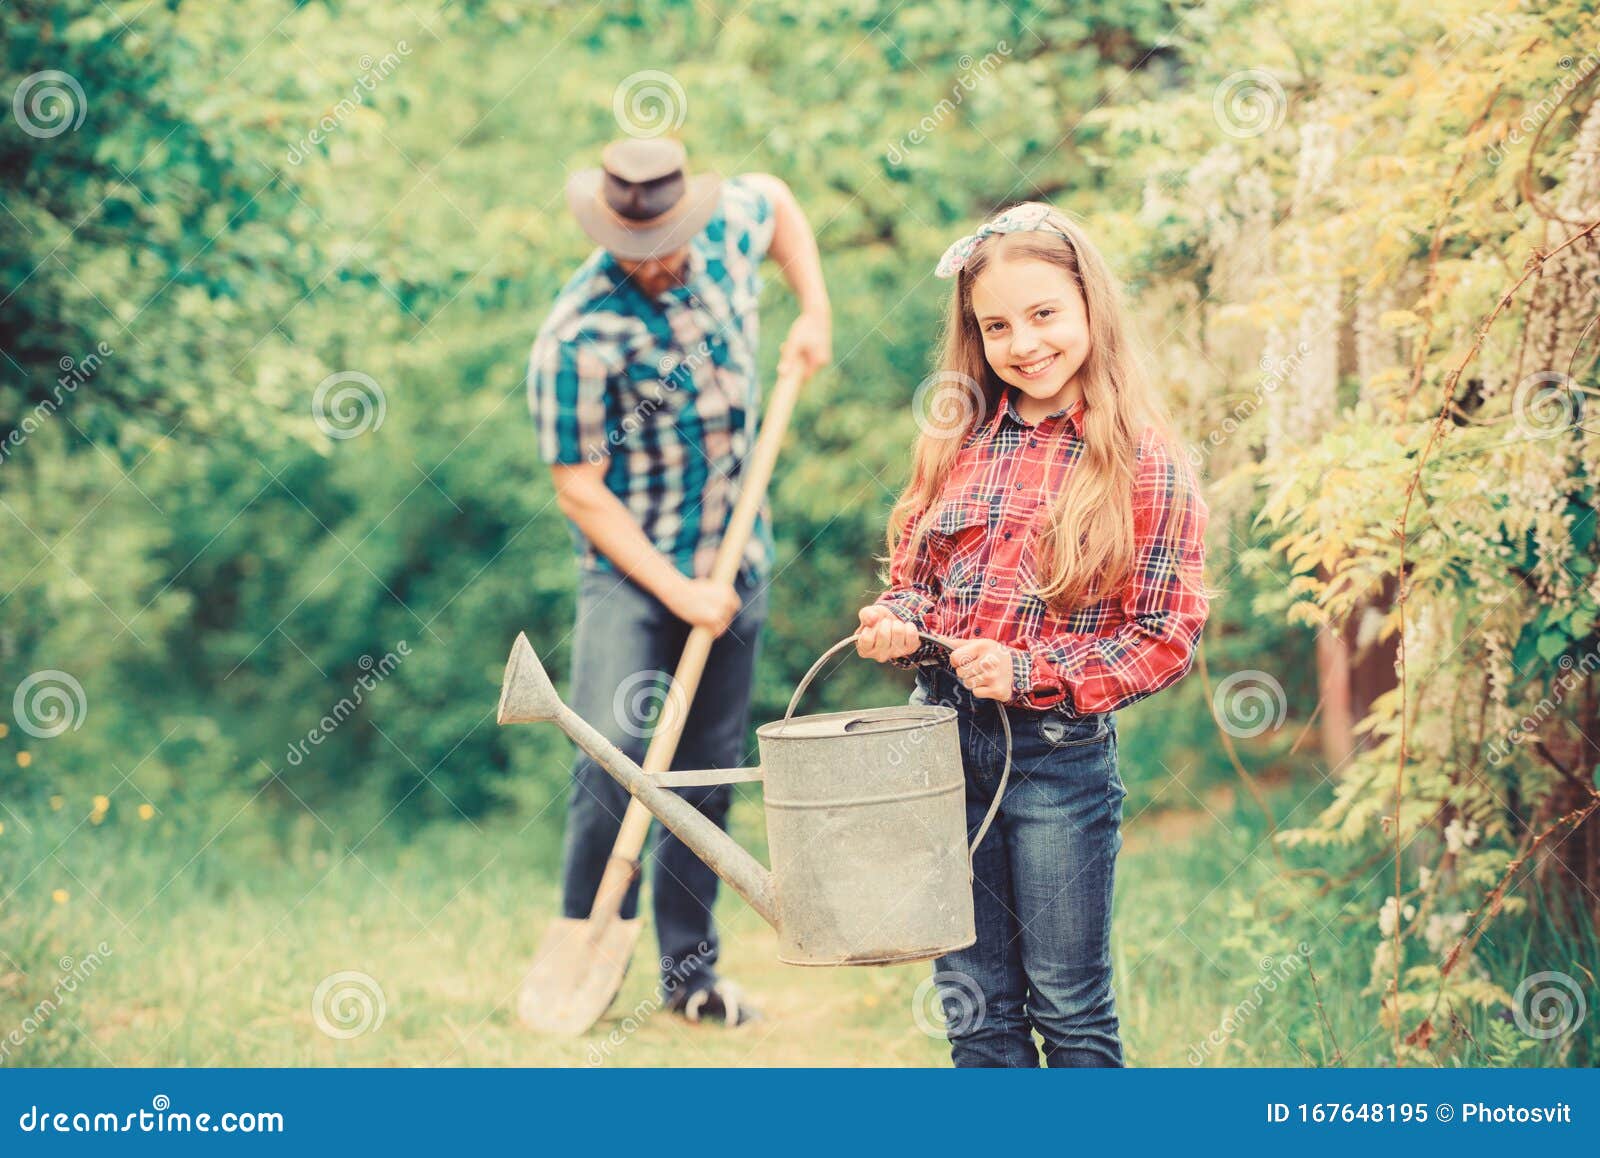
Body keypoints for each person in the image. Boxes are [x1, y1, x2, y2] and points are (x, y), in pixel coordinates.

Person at [854, 202, 1209, 1066]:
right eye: (997, 326)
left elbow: (1165, 634)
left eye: (1044, 315)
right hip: (939, 752)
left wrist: (1033, 670)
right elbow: (918, 585)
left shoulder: (1140, 459)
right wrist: (897, 621)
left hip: (1056, 759)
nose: (1024, 344)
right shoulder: (960, 441)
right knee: (976, 1013)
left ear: (1090, 307)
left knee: (1070, 1008)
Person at [527, 136, 830, 1025]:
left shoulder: (734, 225)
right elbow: (580, 491)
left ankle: (689, 981)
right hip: (631, 573)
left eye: (668, 243)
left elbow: (779, 202)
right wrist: (677, 588)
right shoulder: (579, 333)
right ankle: (585, 946)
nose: (657, 263)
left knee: (704, 774)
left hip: (738, 560)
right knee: (610, 767)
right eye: (636, 251)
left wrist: (814, 310)